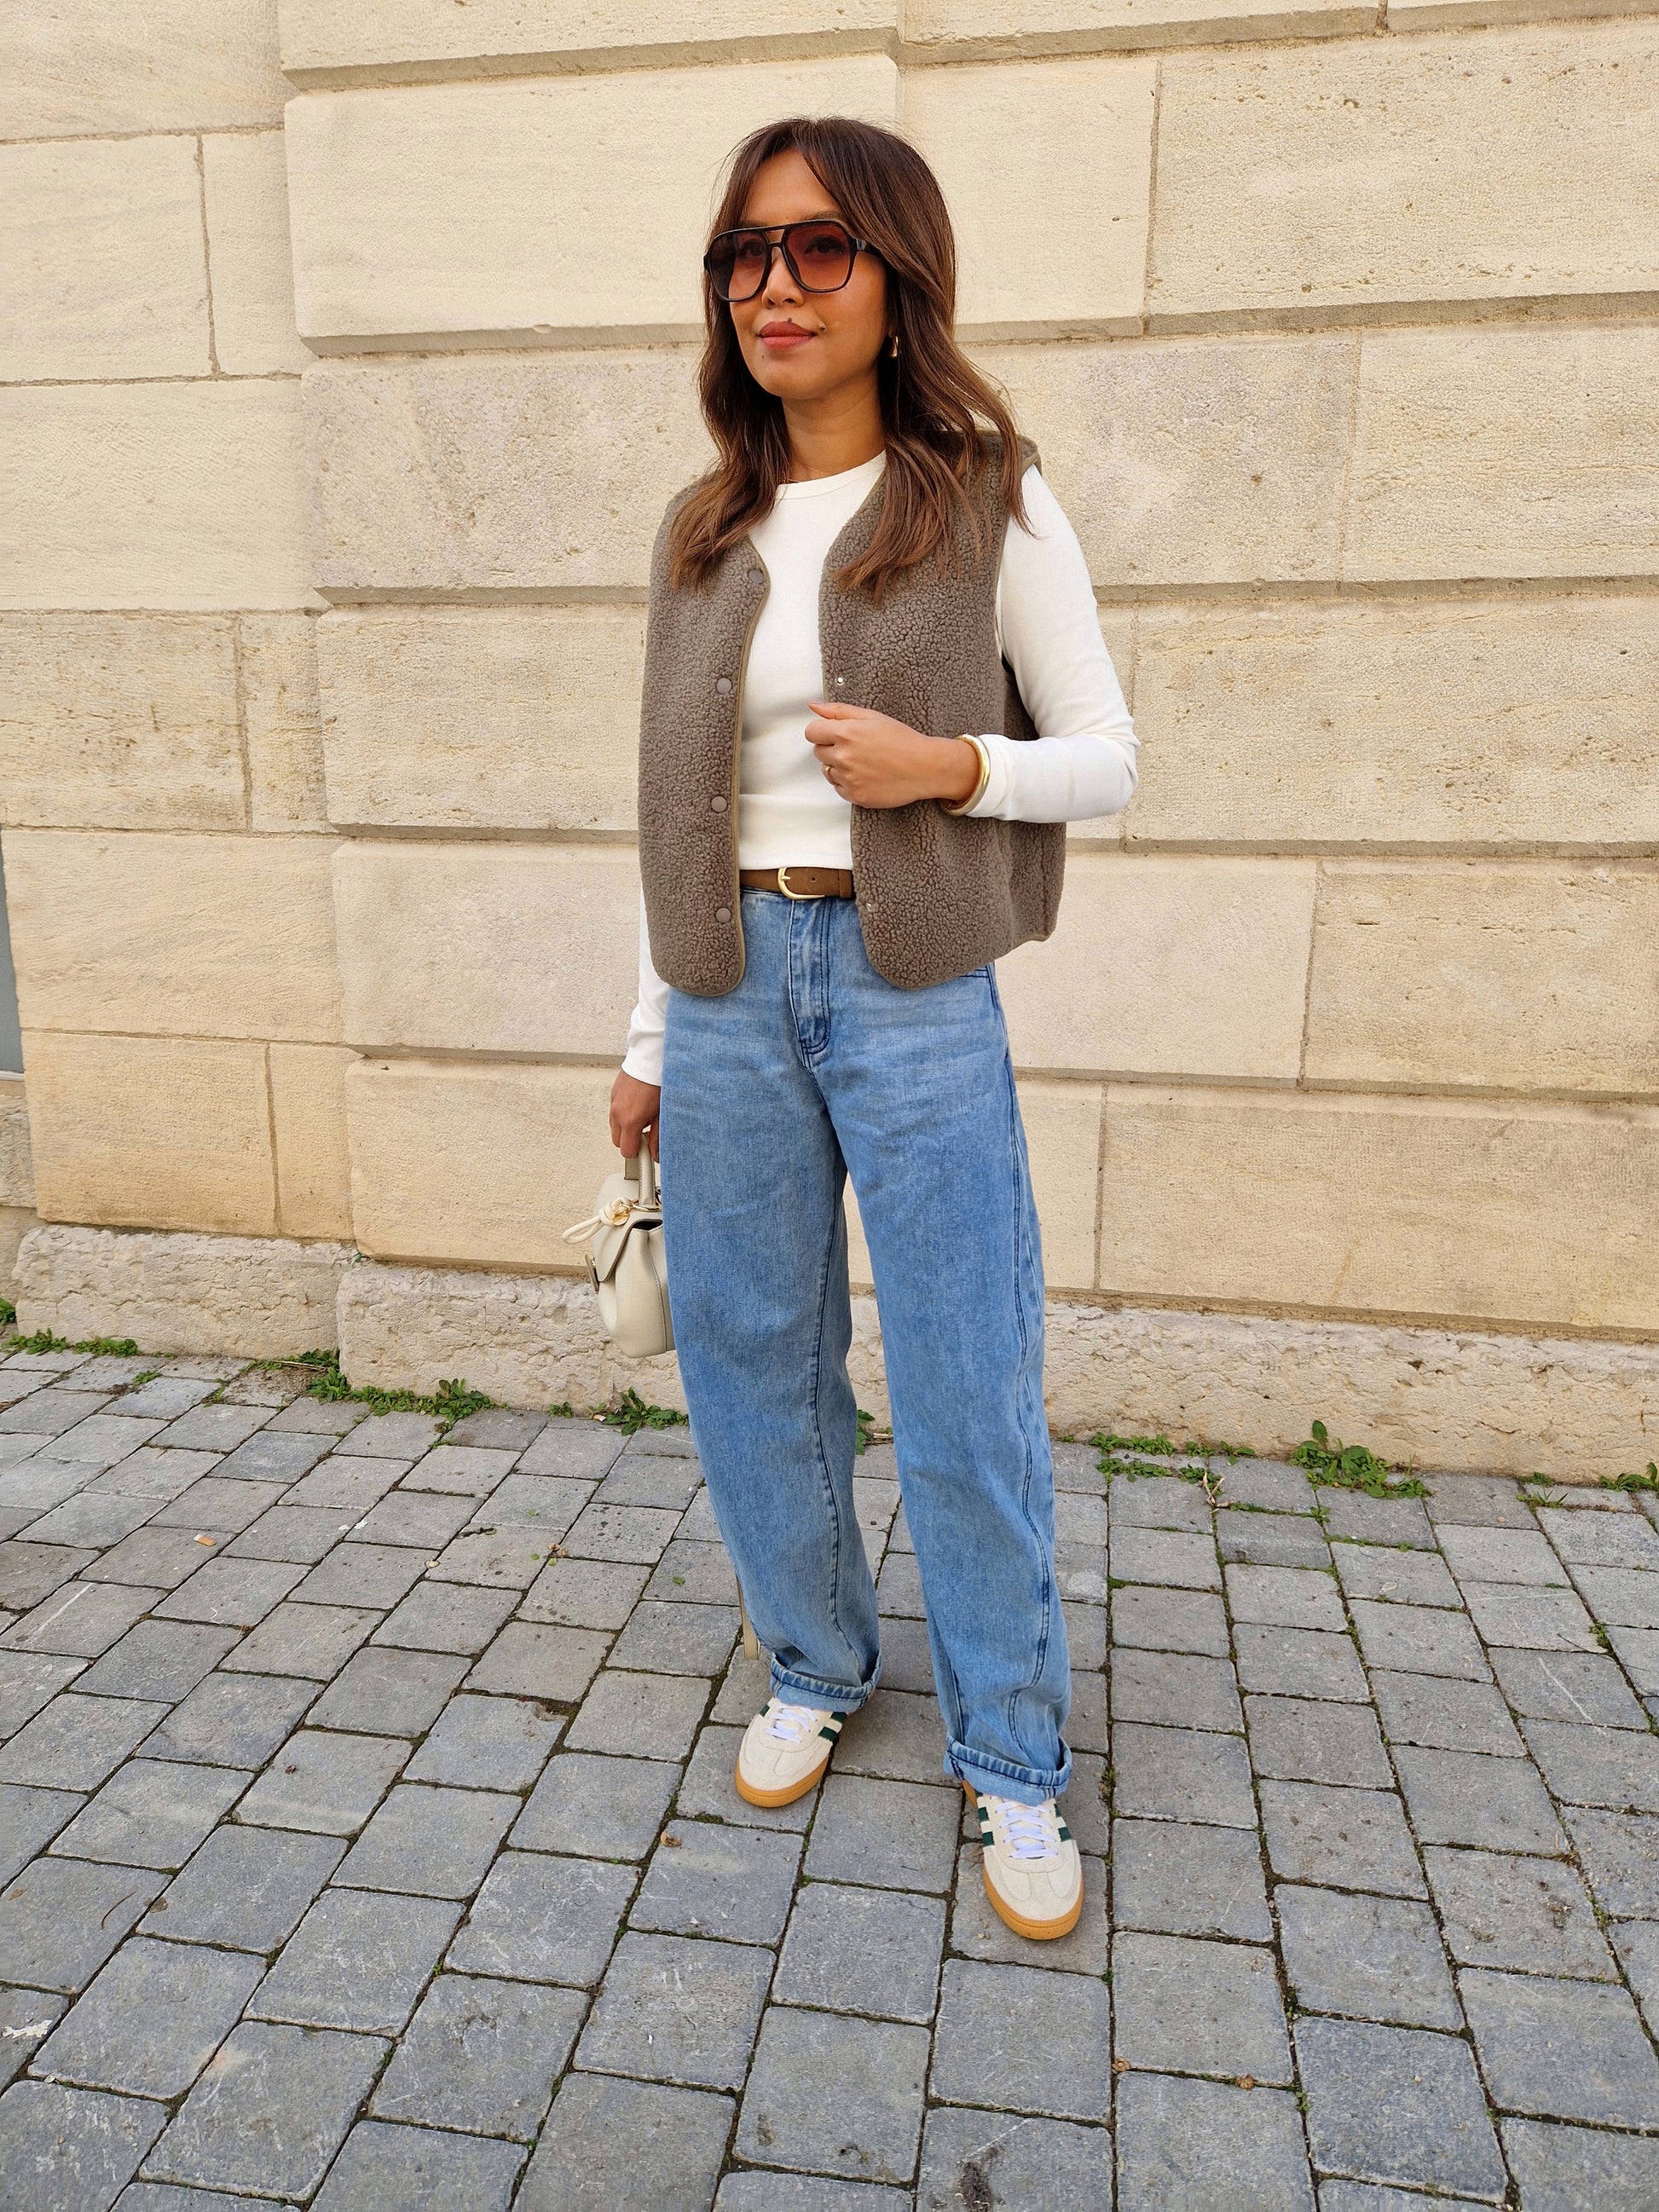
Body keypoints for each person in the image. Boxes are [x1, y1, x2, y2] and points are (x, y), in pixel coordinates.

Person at [608, 114, 1137, 1941]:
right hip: (724, 985)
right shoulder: (704, 528)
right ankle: (816, 1661)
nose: (776, 285)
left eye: (819, 247)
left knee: (965, 1375)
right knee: (751, 1360)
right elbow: (672, 809)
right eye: (745, 254)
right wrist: (649, 1037)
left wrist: (948, 766)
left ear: (896, 278)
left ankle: (1012, 1754)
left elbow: (1108, 753)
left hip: (910, 987)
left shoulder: (988, 496)